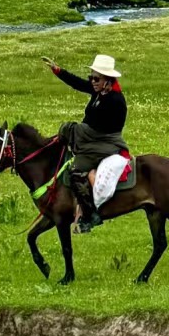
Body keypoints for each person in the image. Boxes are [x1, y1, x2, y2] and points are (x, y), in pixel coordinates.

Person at [41, 53, 128, 232]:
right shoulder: (100, 91)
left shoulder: (115, 101)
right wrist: (58, 71)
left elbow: (98, 128)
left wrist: (75, 131)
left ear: (107, 80)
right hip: (94, 139)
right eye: (92, 77)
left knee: (75, 172)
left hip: (105, 144)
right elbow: (78, 83)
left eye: (96, 78)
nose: (92, 81)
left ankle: (90, 215)